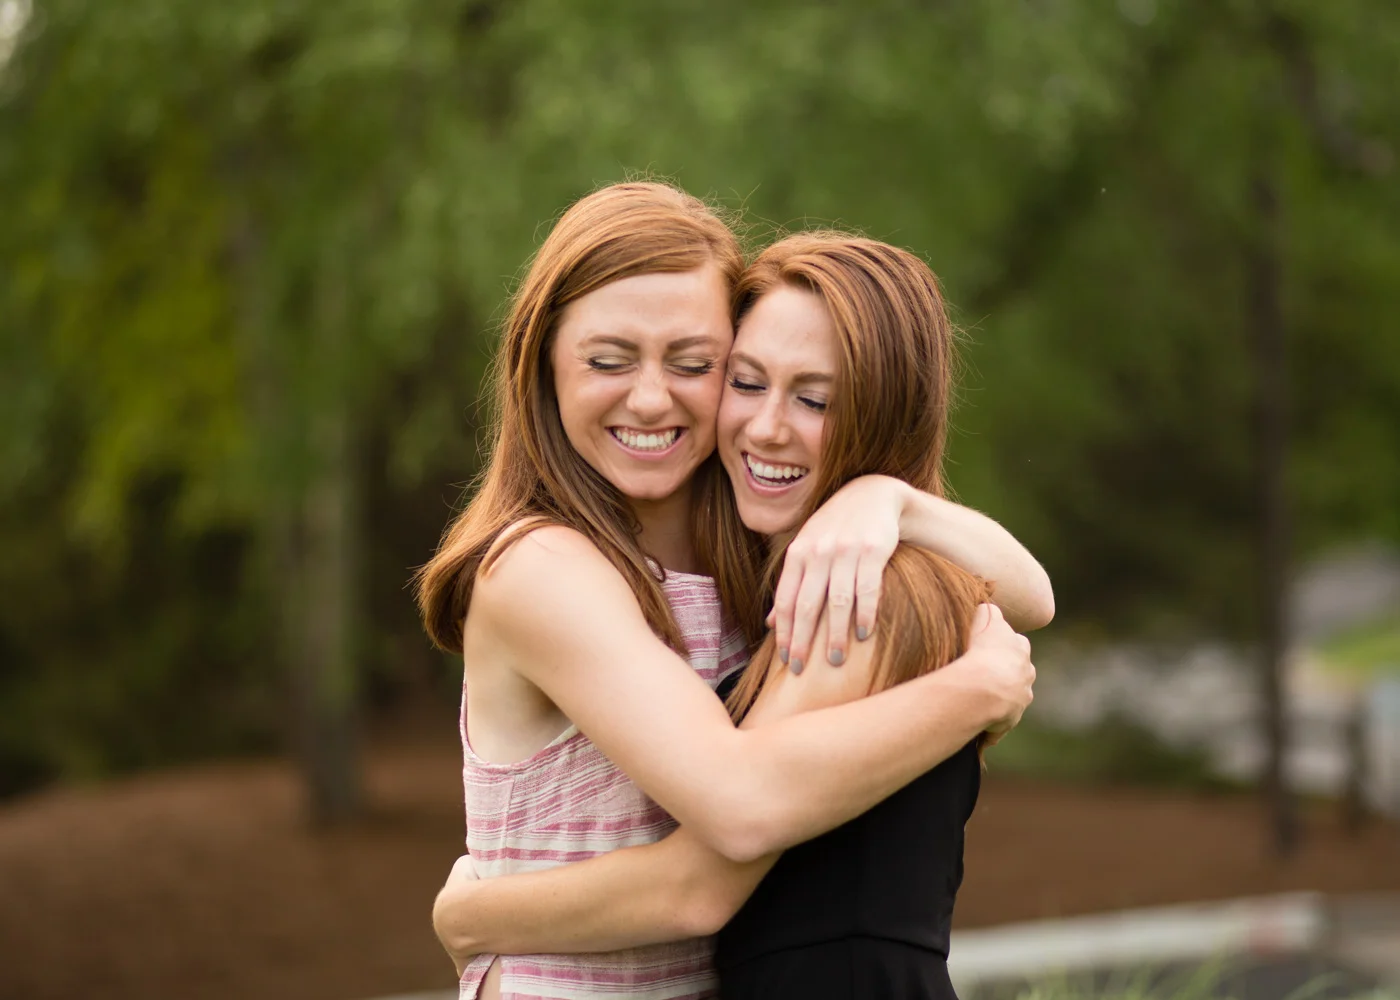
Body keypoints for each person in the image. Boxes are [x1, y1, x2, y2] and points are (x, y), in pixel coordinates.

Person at [417, 184, 1049, 999]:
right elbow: (735, 816)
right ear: (541, 366)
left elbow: (1031, 595)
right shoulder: (542, 569)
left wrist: (889, 498)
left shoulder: (753, 553)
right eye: (608, 360)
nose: (651, 398)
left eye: (695, 365)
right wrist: (979, 689)